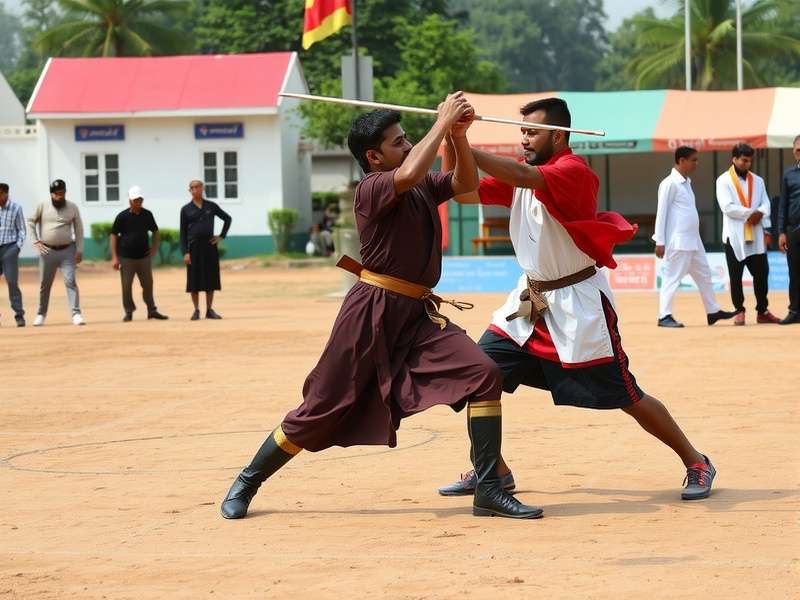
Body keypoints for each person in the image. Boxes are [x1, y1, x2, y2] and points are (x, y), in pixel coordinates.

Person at [220, 93, 543, 521]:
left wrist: (460, 138)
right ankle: (248, 480)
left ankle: (489, 489)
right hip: (370, 314)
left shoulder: (420, 185)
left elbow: (465, 184)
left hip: (418, 317)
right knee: (320, 408)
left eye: (407, 138)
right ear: (373, 157)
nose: (408, 146)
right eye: (398, 141)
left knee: (483, 374)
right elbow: (410, 172)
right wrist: (442, 124)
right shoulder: (371, 189)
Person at [438, 97, 716, 502]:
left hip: (577, 303)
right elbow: (461, 192)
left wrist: (462, 139)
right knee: (477, 372)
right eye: (522, 133)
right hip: (530, 300)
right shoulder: (524, 175)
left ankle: (697, 461)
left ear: (559, 135)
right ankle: (492, 469)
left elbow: (517, 173)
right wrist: (451, 140)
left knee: (626, 395)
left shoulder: (573, 171)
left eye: (532, 133)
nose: (525, 140)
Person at [653, 147, 736, 328]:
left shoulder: (686, 182)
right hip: (678, 241)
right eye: (693, 160)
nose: (696, 163)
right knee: (672, 278)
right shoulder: (669, 183)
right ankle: (664, 315)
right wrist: (659, 241)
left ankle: (712, 311)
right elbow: (662, 213)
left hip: (693, 241)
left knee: (704, 275)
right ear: (681, 161)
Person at [716, 143, 779, 325]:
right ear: (734, 159)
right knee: (735, 276)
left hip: (756, 236)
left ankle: (762, 311)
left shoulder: (758, 181)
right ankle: (739, 310)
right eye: (744, 160)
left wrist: (762, 219)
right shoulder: (723, 180)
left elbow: (766, 204)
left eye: (749, 160)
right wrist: (752, 213)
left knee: (762, 274)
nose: (747, 163)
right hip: (734, 236)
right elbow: (727, 207)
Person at [27, 179, 85, 326]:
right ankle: (41, 314)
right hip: (47, 251)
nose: (60, 196)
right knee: (44, 284)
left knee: (70, 281)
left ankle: (76, 313)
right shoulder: (43, 206)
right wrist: (35, 240)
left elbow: (79, 229)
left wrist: (79, 249)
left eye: (63, 193)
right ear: (52, 194)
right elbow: (31, 222)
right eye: (57, 194)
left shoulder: (72, 207)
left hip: (68, 251)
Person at [110, 186, 168, 322]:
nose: (138, 202)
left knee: (148, 284)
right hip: (126, 258)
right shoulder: (122, 216)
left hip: (143, 257)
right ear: (130, 201)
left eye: (140, 199)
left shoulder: (147, 215)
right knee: (126, 285)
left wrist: (154, 248)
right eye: (135, 200)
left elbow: (155, 232)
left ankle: (151, 310)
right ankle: (129, 311)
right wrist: (114, 257)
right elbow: (113, 235)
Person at [180, 181, 232, 320]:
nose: (195, 189)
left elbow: (227, 218)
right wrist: (185, 252)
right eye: (192, 188)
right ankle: (196, 310)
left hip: (209, 246)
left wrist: (221, 236)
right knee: (194, 279)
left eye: (198, 187)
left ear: (202, 188)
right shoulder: (186, 209)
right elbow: (182, 233)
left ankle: (209, 310)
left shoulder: (211, 206)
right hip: (193, 247)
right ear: (189, 190)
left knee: (211, 278)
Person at [777, 134, 800, 325]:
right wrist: (782, 232)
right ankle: (794, 311)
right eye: (798, 149)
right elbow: (783, 205)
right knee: (795, 272)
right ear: (794, 152)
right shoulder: (788, 174)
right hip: (794, 231)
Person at [0, 183, 26, 327]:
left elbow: (21, 229)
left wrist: (17, 247)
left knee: (11, 282)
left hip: (10, 248)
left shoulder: (16, 208)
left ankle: (19, 314)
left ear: (5, 193)